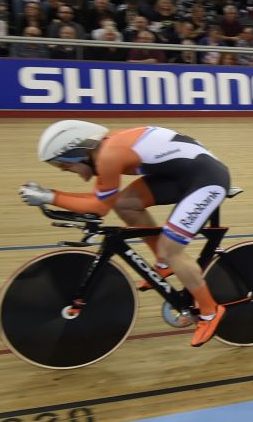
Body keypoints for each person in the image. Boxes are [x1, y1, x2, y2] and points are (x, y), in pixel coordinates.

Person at [19, 121, 233, 346]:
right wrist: (50, 195)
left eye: (65, 166)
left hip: (207, 180)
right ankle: (163, 264)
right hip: (181, 175)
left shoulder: (108, 156)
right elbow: (104, 202)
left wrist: (49, 196)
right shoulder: (106, 148)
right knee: (124, 204)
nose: (67, 171)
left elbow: (98, 207)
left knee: (172, 250)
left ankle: (209, 311)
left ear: (79, 152)